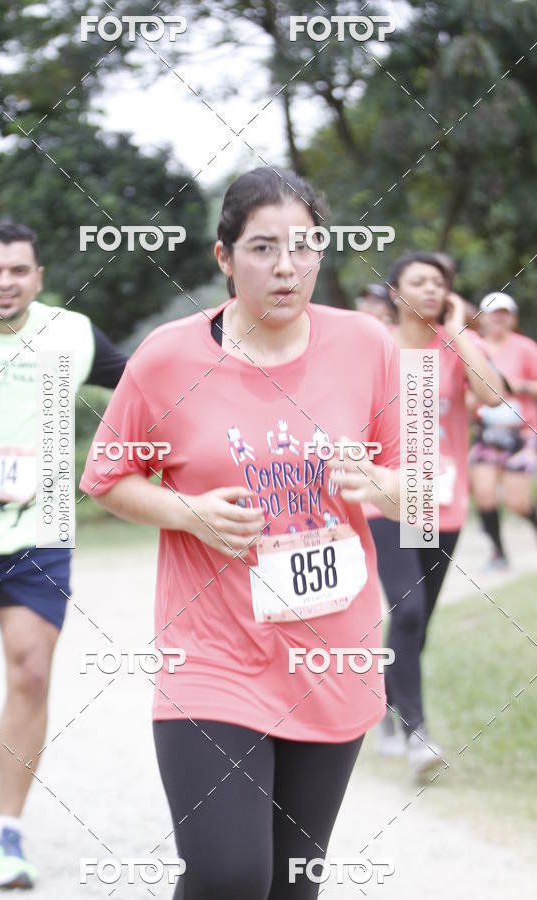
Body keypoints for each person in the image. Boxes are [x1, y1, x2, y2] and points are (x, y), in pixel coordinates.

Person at [80, 166, 402, 900]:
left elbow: (417, 479)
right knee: (229, 877)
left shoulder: (369, 345)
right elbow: (106, 479)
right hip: (213, 656)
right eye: (262, 248)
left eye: (303, 246)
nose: (285, 266)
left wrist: (381, 484)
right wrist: (187, 513)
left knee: (291, 886)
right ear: (224, 258)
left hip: (333, 656)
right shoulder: (168, 359)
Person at [0, 221, 127, 888]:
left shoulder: (70, 335)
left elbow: (141, 385)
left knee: (31, 670)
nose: (5, 282)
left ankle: (5, 833)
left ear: (38, 278)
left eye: (19, 270)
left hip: (39, 533)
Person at [368, 252, 506, 777]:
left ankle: (386, 704)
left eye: (438, 283)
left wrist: (457, 330)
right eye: (417, 281)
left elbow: (493, 397)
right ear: (395, 293)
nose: (429, 289)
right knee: (405, 612)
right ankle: (417, 734)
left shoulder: (453, 349)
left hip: (440, 502)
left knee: (418, 622)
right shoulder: (375, 347)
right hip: (385, 499)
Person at [468, 292, 537, 568]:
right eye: (493, 314)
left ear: (512, 318)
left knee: (517, 501)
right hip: (486, 432)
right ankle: (498, 552)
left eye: (504, 314)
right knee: (483, 492)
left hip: (519, 433)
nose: (499, 320)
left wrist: (515, 386)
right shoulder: (474, 348)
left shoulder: (525, 348)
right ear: (481, 318)